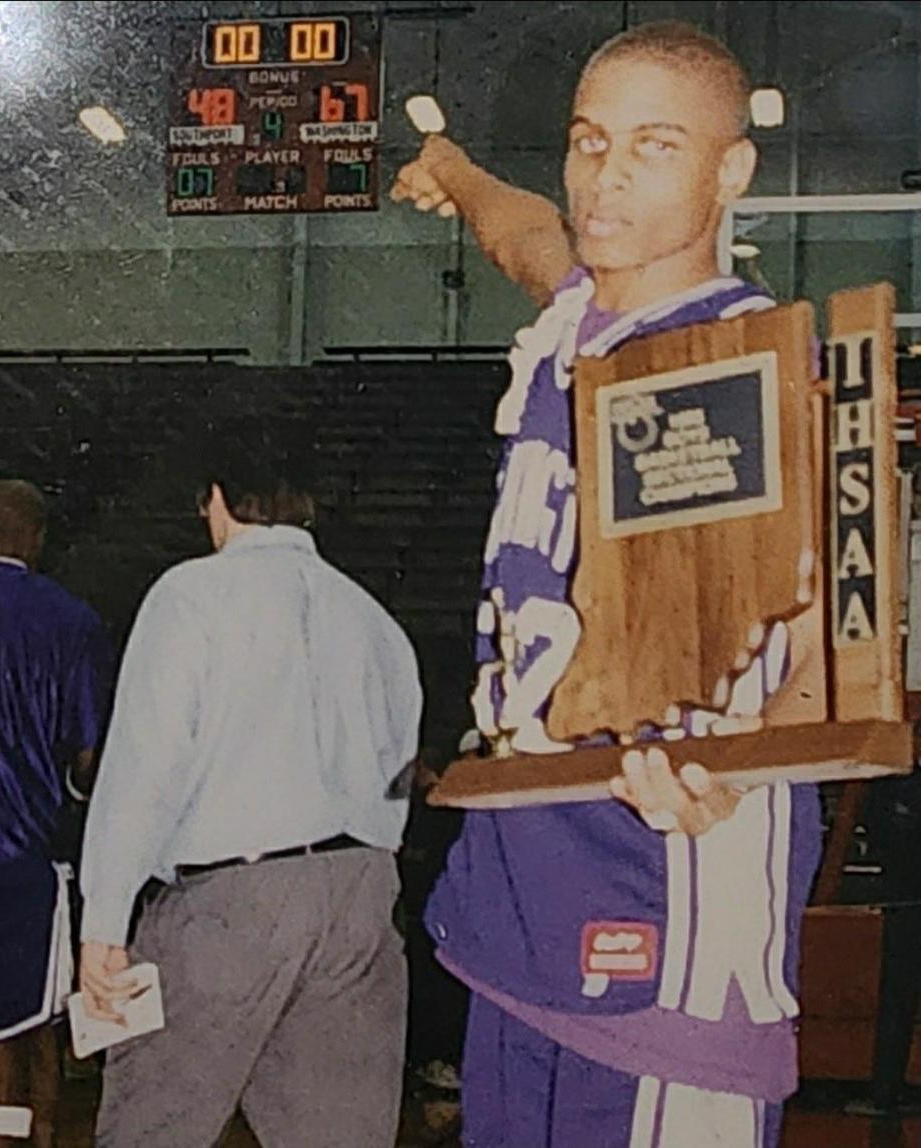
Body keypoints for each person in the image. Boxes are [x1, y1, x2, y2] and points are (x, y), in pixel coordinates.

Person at [392, 20, 823, 1148]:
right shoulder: (577, 310)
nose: (607, 174)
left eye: (654, 145)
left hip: (665, 878)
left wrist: (739, 762)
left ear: (731, 171)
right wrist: (455, 173)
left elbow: (828, 629)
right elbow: (528, 236)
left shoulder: (747, 357)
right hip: (521, 874)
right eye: (589, 141)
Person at [77, 443, 423, 1147]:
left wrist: (104, 921)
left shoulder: (189, 593)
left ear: (218, 500)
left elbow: (146, 762)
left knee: (153, 1130)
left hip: (233, 900)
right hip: (359, 892)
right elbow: (401, 765)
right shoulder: (375, 619)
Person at [0, 480, 112, 1148]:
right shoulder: (67, 618)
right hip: (14, 858)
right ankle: (31, 1137)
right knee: (19, 1048)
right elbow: (88, 753)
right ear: (37, 536)